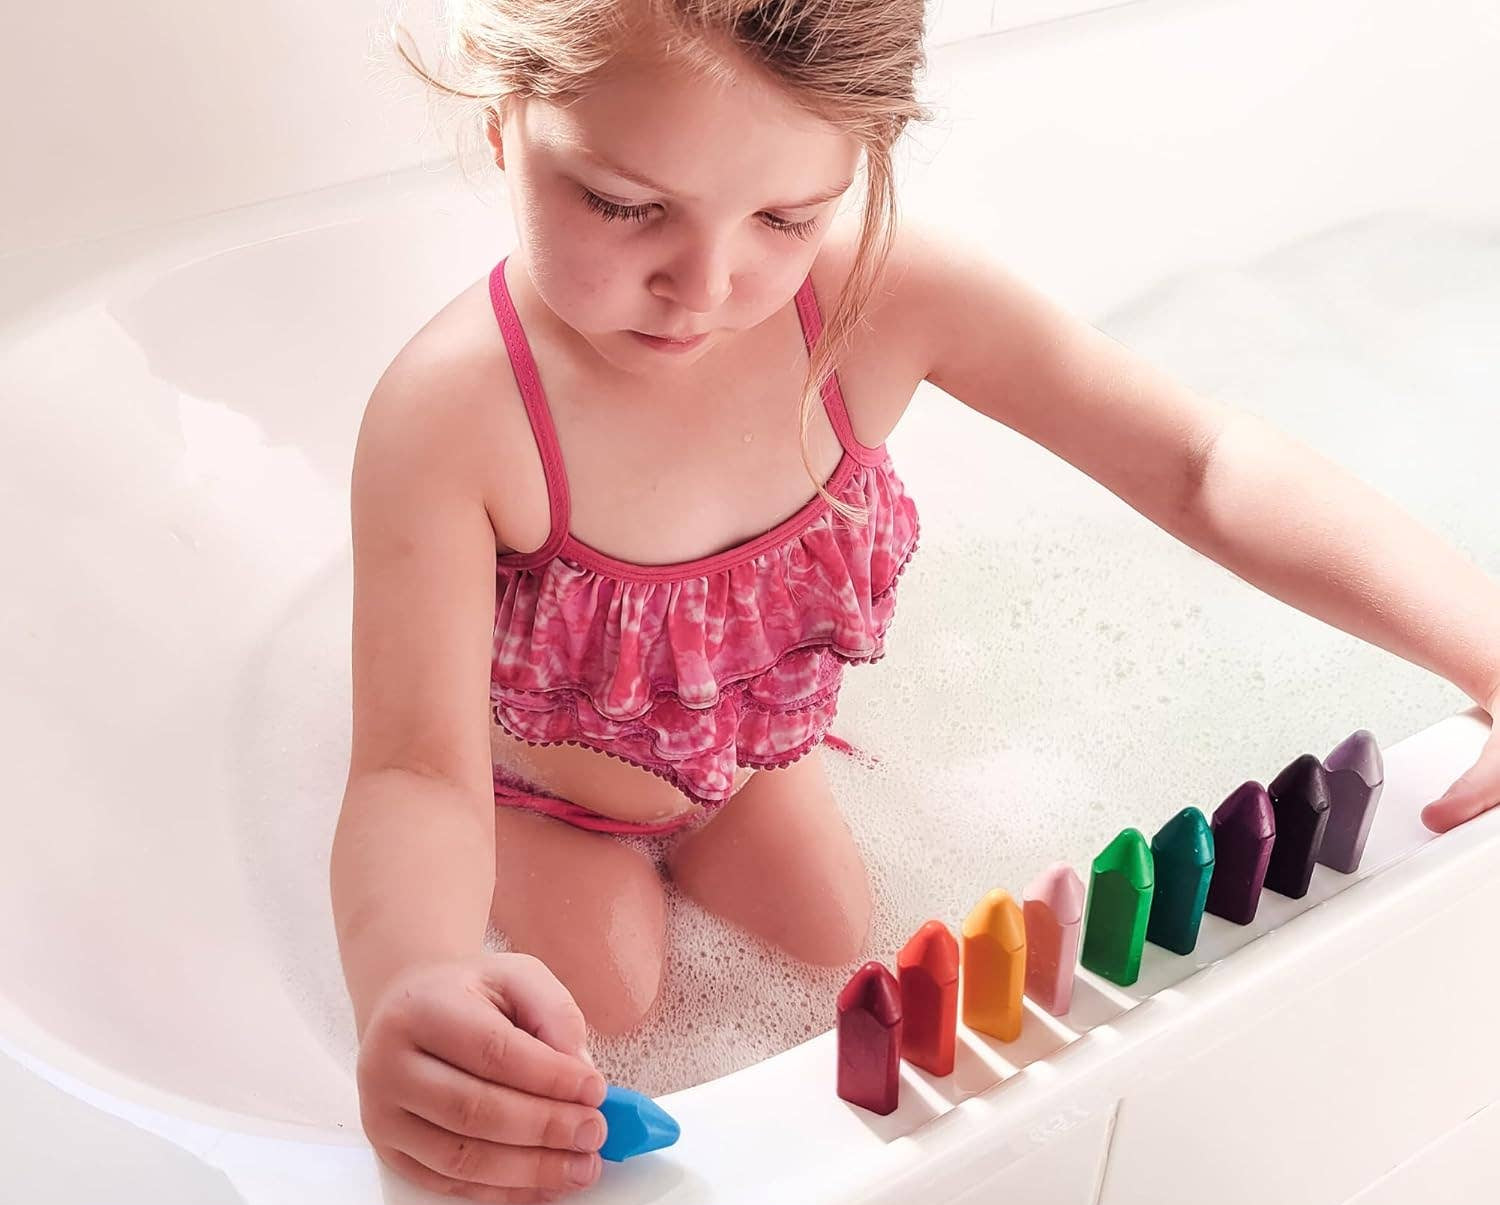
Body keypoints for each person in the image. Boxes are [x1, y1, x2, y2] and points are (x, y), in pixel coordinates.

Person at [331, 1, 1500, 1200]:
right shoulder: (456, 415)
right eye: (625, 204)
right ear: (504, 119)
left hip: (752, 766)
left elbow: (1197, 461)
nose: (707, 282)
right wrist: (411, 983)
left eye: (788, 215)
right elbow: (414, 772)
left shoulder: (878, 298)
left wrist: (1487, 646)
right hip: (542, 798)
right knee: (604, 1033)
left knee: (846, 983)